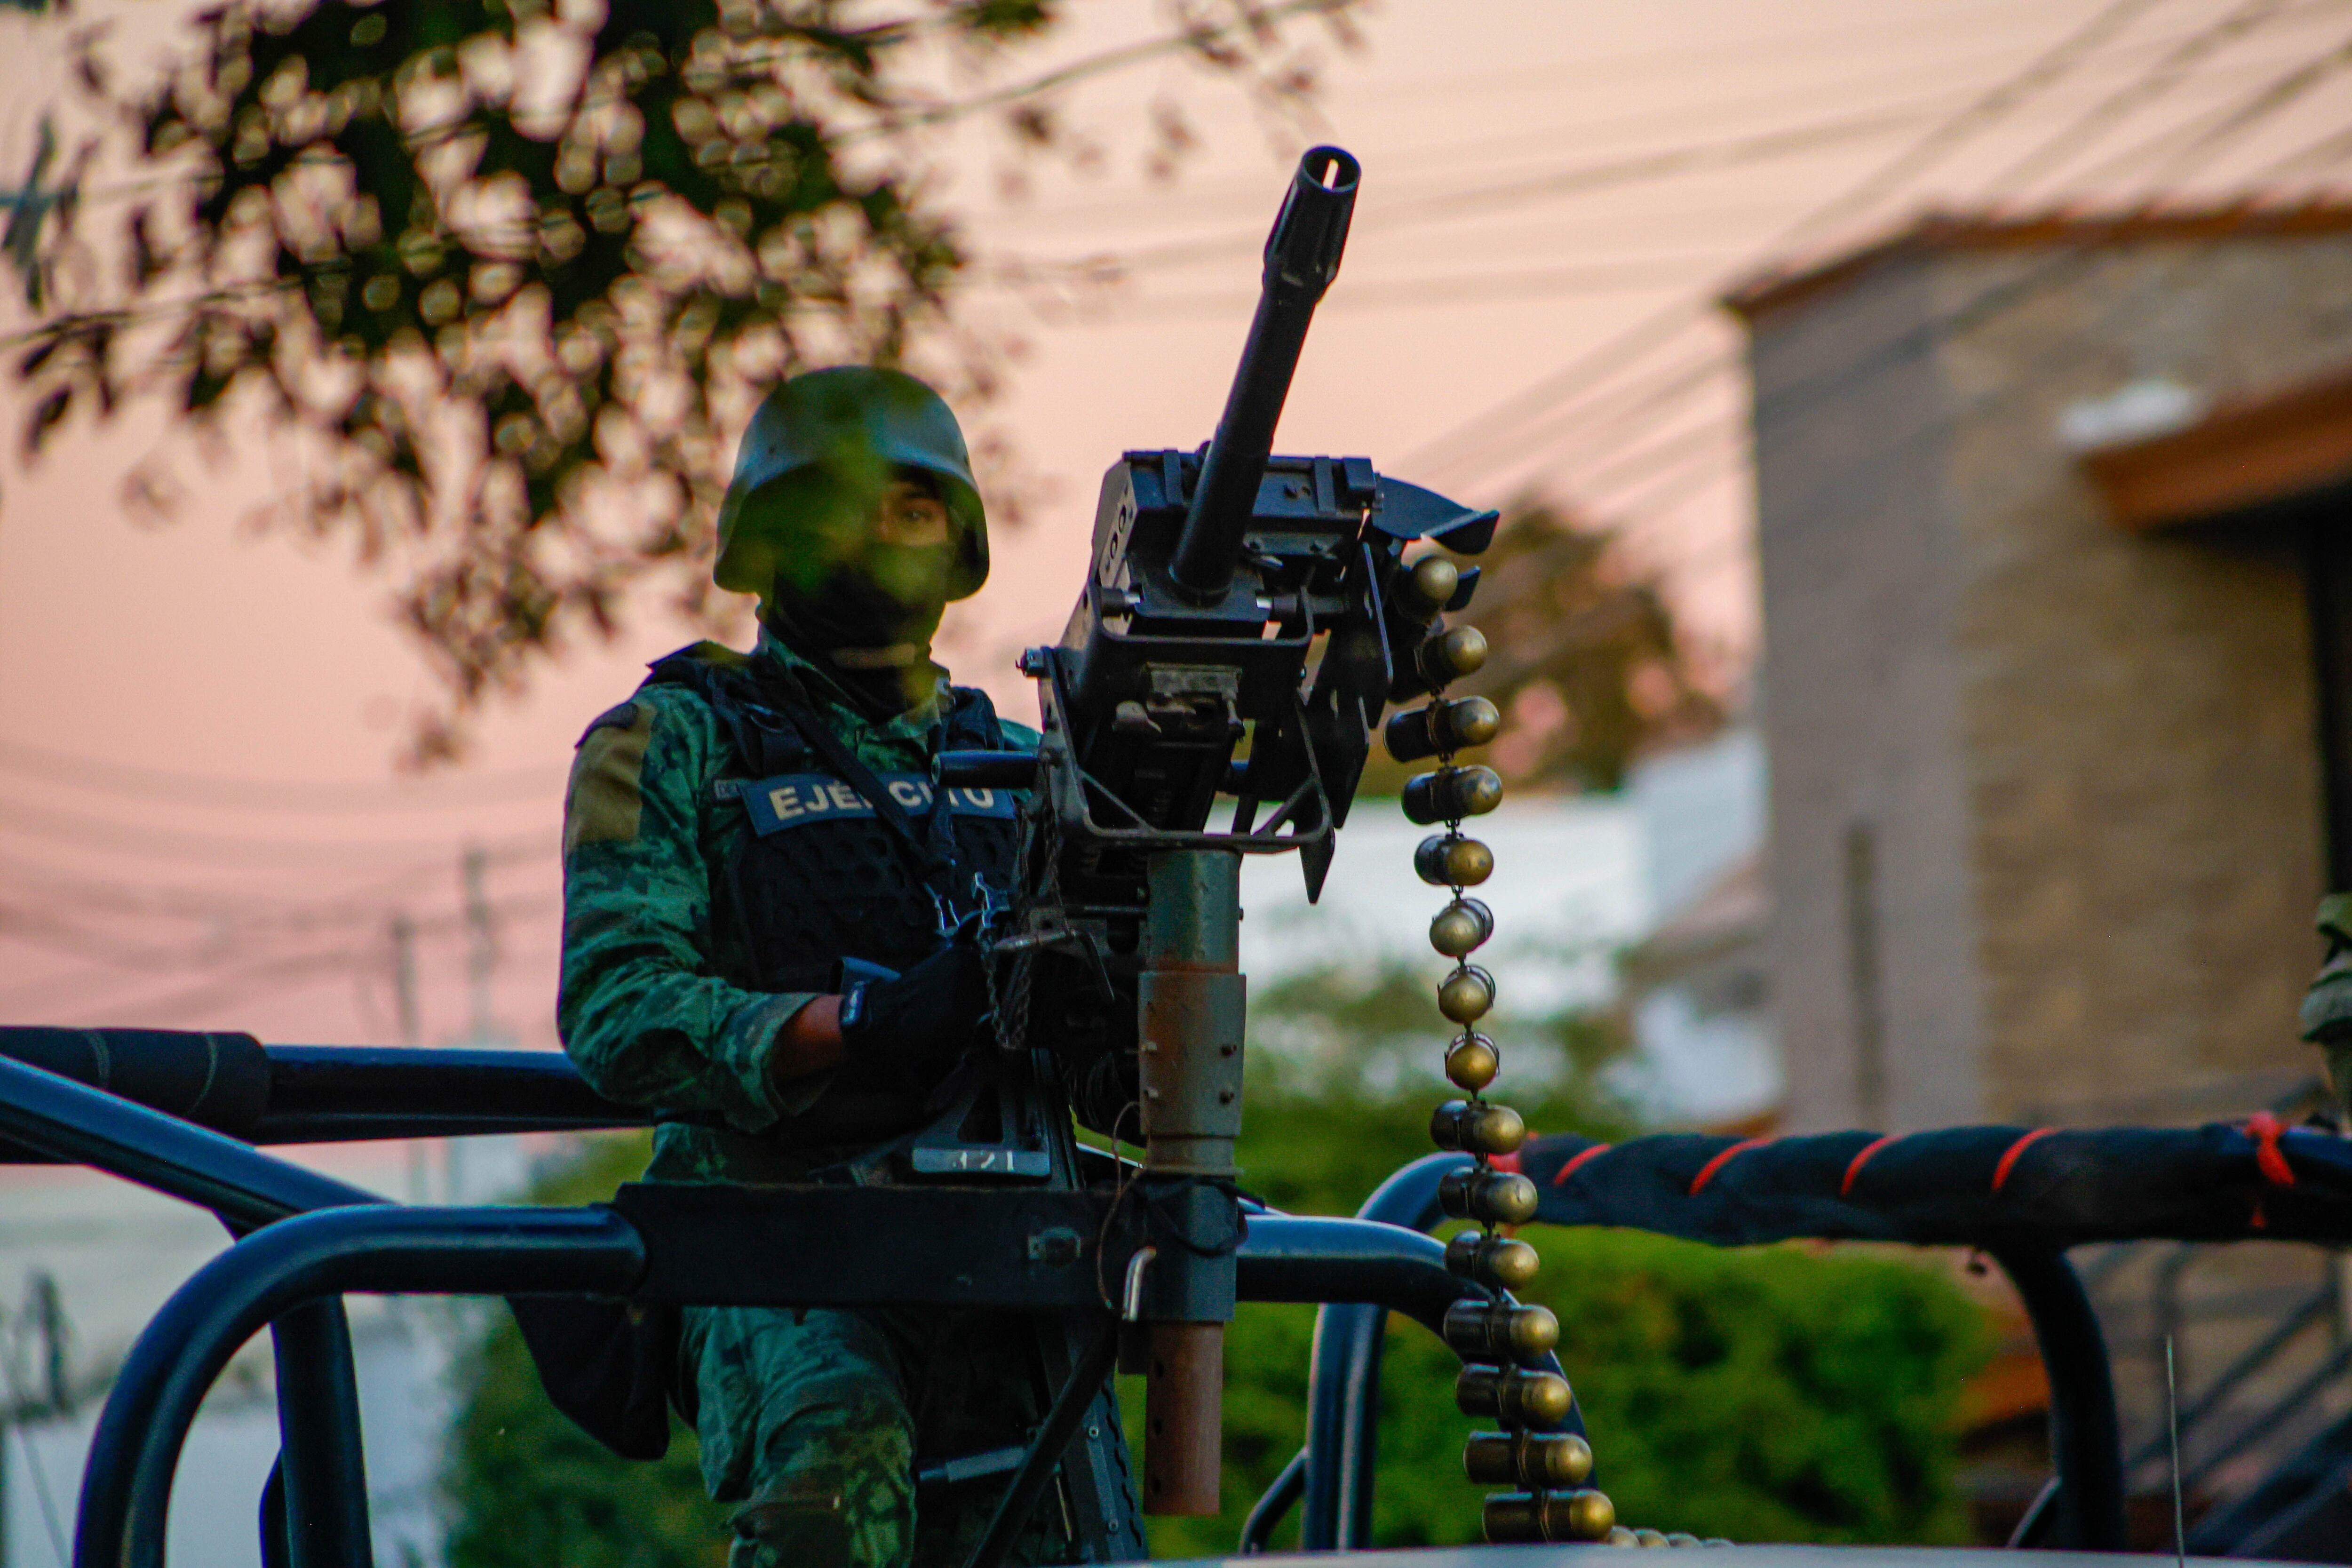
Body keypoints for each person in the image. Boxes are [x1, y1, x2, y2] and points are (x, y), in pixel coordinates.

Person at [554, 366, 1119, 1566]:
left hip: (1011, 1239)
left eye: (911, 508)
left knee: (1070, 1533)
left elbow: (1140, 1054)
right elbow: (618, 1009)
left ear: (957, 545)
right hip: (780, 1242)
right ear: (763, 540)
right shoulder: (676, 740)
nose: (878, 535)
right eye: (839, 505)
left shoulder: (1029, 764)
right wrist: (855, 1024)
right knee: (837, 1484)